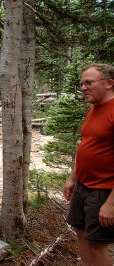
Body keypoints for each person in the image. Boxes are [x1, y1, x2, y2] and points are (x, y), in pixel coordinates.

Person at [63, 63, 114, 265]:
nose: (83, 88)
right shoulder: (93, 110)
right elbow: (86, 146)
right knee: (81, 234)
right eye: (82, 83)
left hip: (104, 190)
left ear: (109, 83)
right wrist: (72, 178)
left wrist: (111, 204)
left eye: (89, 83)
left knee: (96, 245)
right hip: (83, 186)